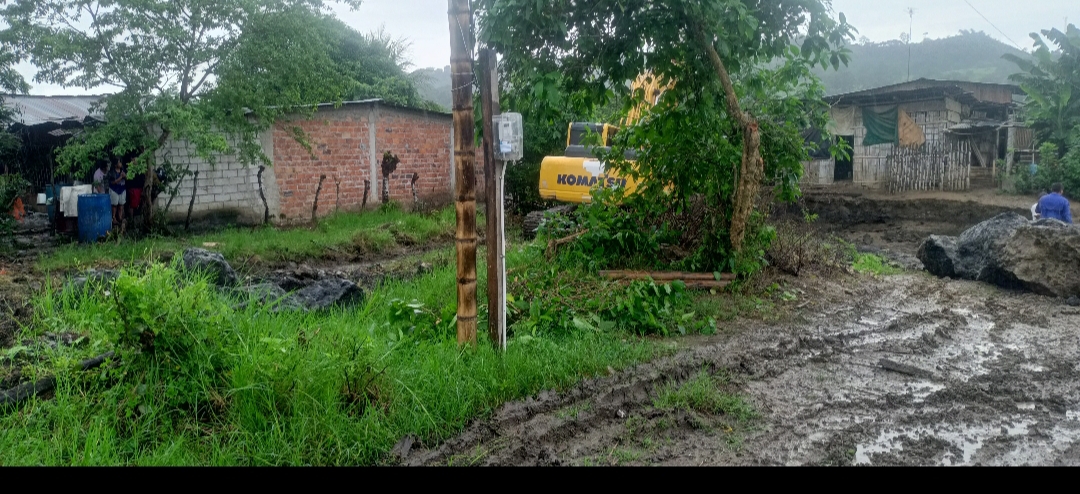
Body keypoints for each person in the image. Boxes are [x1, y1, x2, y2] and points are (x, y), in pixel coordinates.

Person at [106, 158, 127, 226]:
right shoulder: (111, 172)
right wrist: (120, 177)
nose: (120, 163)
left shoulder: (123, 170)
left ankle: (120, 218)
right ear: (115, 165)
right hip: (114, 190)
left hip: (122, 189)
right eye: (119, 162)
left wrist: (125, 176)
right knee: (114, 205)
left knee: (121, 204)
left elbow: (128, 178)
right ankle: (113, 218)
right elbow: (112, 182)